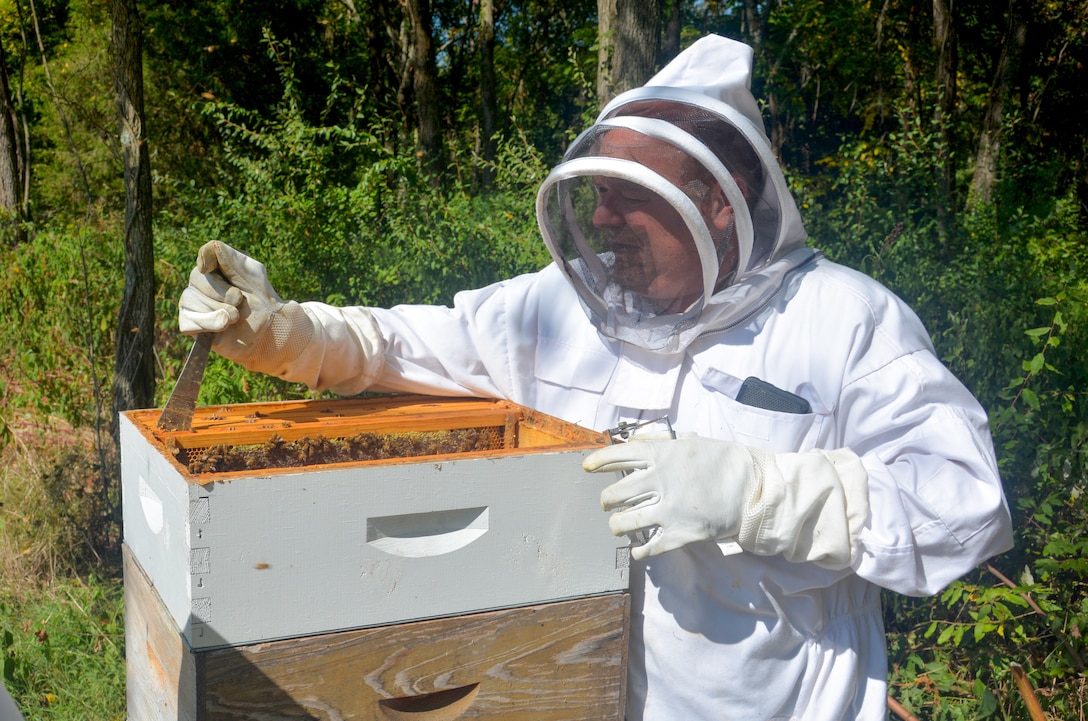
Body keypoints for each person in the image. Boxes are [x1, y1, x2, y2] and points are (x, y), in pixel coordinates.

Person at [178, 35, 1013, 721]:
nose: (605, 221)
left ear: (720, 199)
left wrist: (754, 491)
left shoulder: (845, 320)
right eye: (598, 194)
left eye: (630, 195)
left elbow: (963, 504)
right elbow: (407, 344)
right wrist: (284, 334)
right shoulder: (564, 308)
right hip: (573, 689)